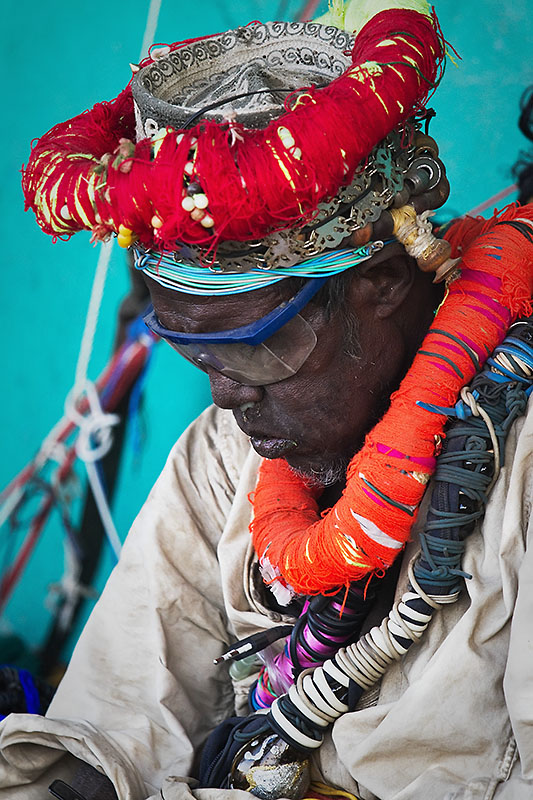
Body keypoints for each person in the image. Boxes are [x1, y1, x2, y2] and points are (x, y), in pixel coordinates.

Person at [3, 2, 533, 799]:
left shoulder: (517, 464)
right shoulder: (221, 459)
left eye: (254, 348)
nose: (224, 395)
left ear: (381, 284)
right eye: (195, 353)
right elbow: (110, 731)